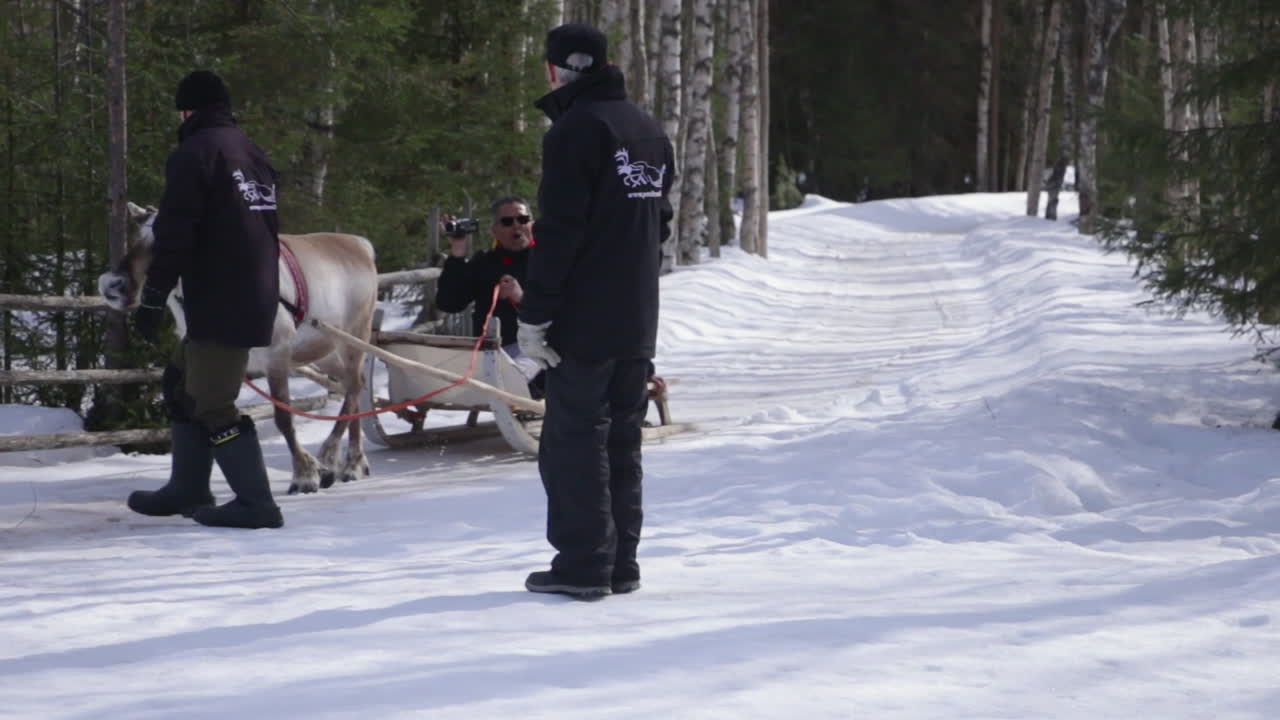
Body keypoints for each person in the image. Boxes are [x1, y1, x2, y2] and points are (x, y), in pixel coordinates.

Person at [518, 23, 675, 599]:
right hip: (636, 317)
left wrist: (536, 315)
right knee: (621, 440)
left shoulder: (575, 130)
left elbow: (558, 233)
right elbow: (660, 224)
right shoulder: (648, 129)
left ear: (553, 70)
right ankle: (620, 562)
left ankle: (585, 564)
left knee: (575, 441)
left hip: (583, 321)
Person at [125, 70, 284, 530]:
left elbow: (176, 232)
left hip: (221, 295)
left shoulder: (195, 153)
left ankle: (257, 504)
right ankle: (188, 488)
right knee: (179, 382)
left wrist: (153, 295)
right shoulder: (253, 153)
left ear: (187, 111)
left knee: (212, 402)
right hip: (248, 290)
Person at [434, 196, 540, 379]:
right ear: (495, 231)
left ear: (532, 224)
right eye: (507, 222)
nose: (517, 226)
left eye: (522, 220)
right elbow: (449, 303)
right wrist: (458, 254)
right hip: (491, 355)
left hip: (539, 354)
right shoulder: (485, 262)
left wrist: (522, 299)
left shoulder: (549, 262)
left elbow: (568, 312)